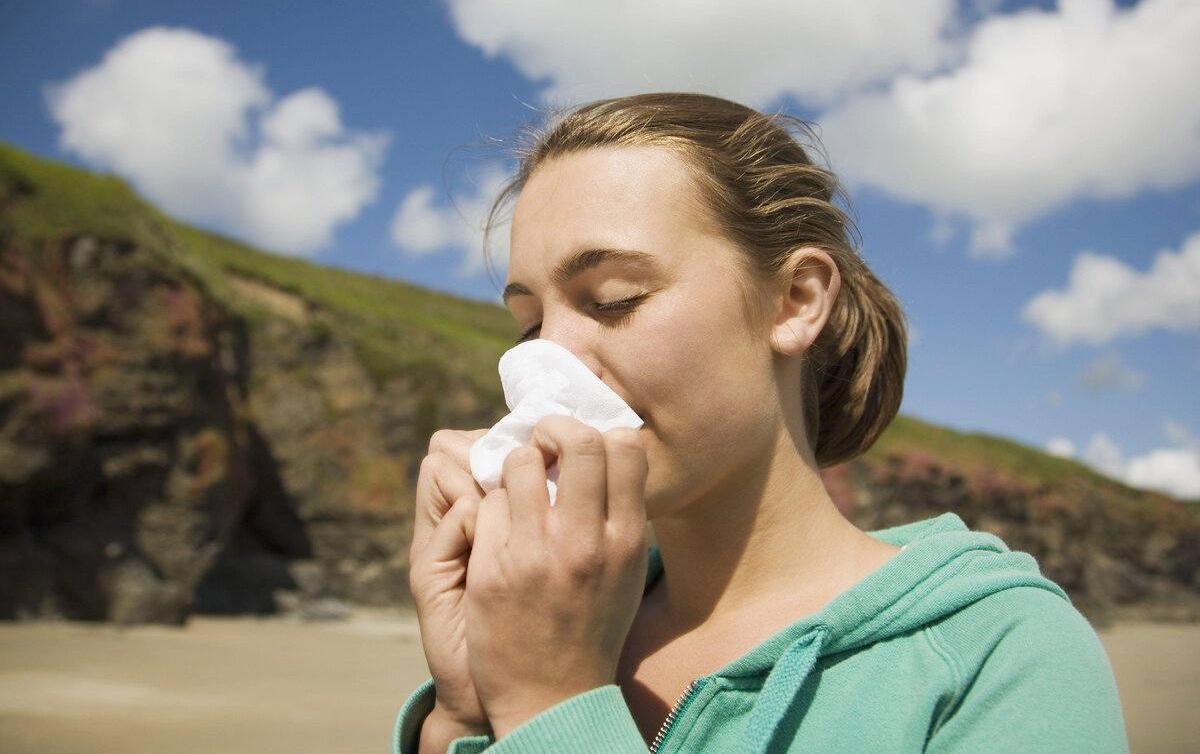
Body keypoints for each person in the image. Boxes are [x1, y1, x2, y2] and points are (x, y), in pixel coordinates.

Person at [395, 93, 1128, 753]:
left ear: (796, 300)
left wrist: (553, 706)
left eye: (614, 297)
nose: (547, 366)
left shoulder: (999, 656)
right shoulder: (548, 626)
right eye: (529, 326)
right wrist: (465, 715)